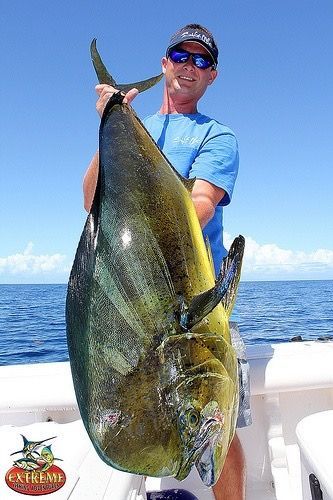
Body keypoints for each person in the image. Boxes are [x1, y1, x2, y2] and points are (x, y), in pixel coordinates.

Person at [83, 23, 249, 500]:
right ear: (164, 63)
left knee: (224, 423)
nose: (189, 67)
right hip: (142, 313)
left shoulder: (218, 136)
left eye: (201, 61)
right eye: (181, 56)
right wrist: (110, 121)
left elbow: (201, 205)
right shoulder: (136, 126)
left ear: (212, 76)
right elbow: (91, 197)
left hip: (200, 301)